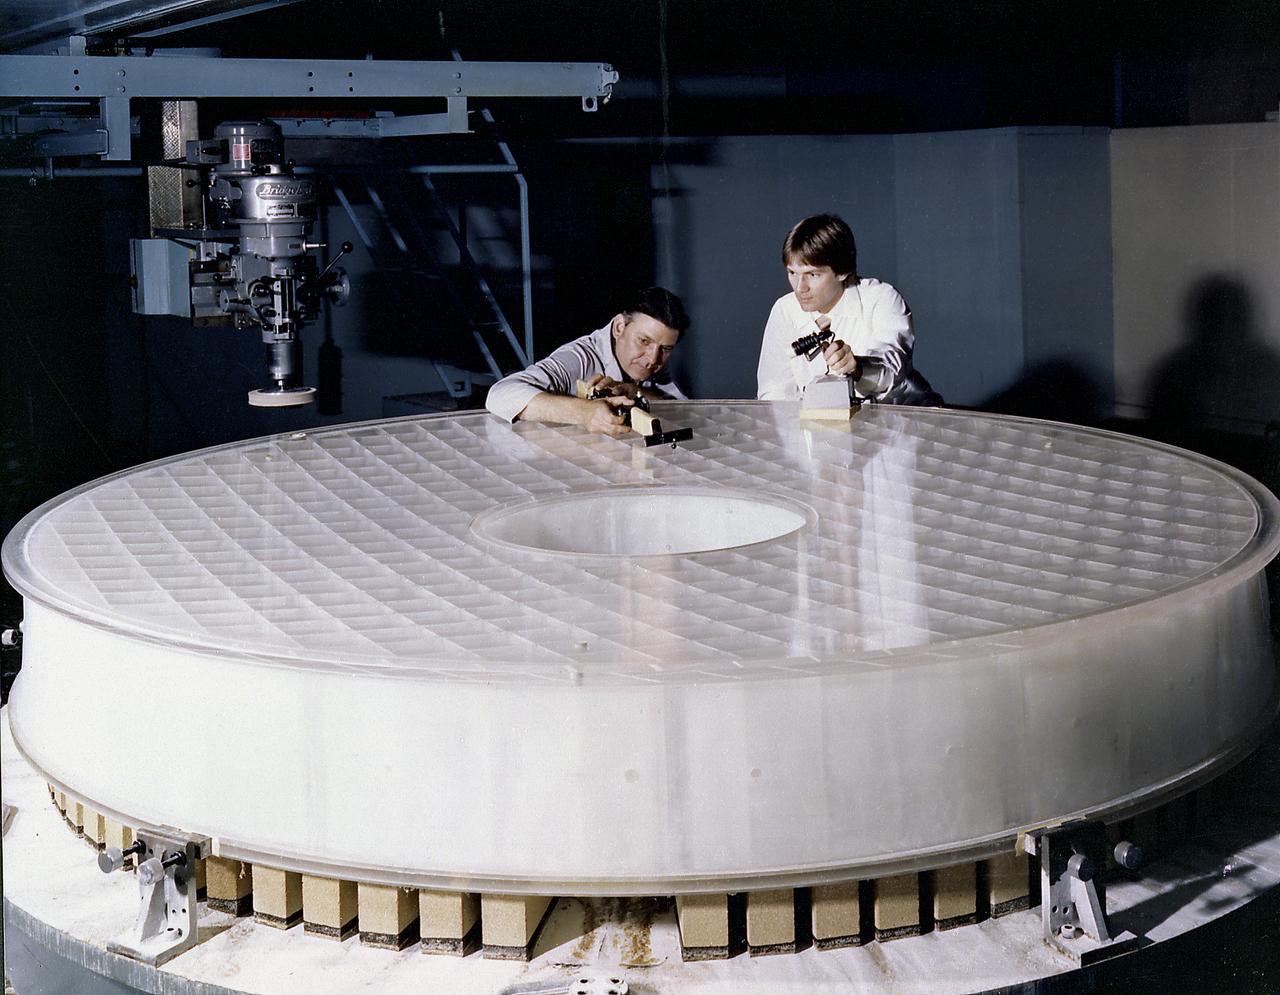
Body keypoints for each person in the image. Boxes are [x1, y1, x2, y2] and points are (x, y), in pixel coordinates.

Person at [756, 214, 941, 406]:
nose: (800, 288)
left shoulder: (882, 298)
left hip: (907, 424)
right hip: (831, 430)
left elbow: (891, 367)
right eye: (792, 273)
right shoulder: (784, 310)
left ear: (843, 271)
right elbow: (775, 394)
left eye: (813, 274)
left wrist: (858, 368)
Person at [486, 287, 689, 437]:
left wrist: (634, 392)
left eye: (666, 349)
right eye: (643, 341)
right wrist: (585, 413)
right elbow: (499, 394)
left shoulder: (650, 356)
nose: (652, 359)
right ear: (619, 327)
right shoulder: (579, 358)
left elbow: (685, 411)